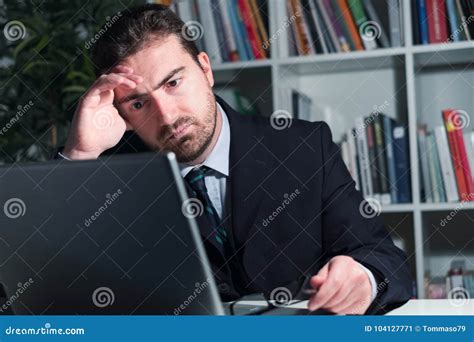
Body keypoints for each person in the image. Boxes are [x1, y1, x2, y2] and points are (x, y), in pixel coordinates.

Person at [57, 4, 412, 315]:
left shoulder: (303, 146)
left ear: (205, 70)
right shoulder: (111, 177)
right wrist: (78, 154)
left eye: (173, 83)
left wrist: (364, 279)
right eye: (138, 103)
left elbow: (383, 256)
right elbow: (36, 288)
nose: (166, 117)